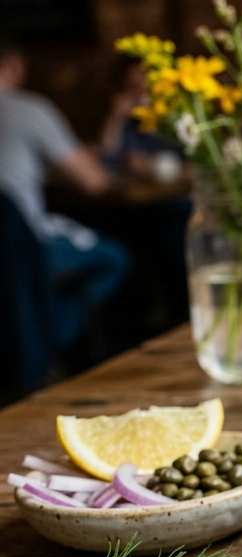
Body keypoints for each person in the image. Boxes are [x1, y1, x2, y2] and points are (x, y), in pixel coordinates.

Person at [0, 37, 129, 356]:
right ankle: (49, 341)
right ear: (14, 64)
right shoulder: (28, 109)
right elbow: (94, 182)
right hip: (22, 248)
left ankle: (32, 341)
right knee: (113, 258)